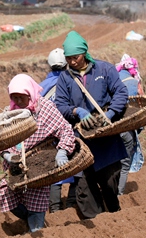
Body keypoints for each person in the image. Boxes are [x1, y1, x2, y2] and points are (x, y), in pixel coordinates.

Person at [54, 31, 128, 219]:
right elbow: (60, 105)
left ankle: (113, 217)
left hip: (106, 140)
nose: (72, 62)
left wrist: (111, 113)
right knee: (85, 192)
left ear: (84, 53)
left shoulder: (104, 70)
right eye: (68, 58)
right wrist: (77, 111)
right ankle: (97, 226)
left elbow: (121, 92)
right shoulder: (65, 77)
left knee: (110, 185)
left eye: (75, 57)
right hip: (83, 141)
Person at [0, 74, 76, 232]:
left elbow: (65, 130)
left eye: (22, 98)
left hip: (39, 162)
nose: (18, 102)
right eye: (15, 98)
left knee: (36, 200)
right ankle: (30, 219)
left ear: (30, 94)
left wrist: (62, 150)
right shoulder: (10, 113)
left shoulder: (45, 108)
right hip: (16, 164)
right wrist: (7, 155)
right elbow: (0, 140)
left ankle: (37, 230)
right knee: (6, 194)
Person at [41, 48, 77, 213]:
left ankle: (54, 209)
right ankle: (72, 203)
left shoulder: (41, 87)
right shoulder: (72, 82)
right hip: (71, 130)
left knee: (53, 169)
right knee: (77, 165)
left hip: (49, 135)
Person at [115, 54, 144, 194]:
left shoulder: (112, 81)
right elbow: (142, 105)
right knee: (124, 164)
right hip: (126, 129)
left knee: (112, 163)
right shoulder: (134, 83)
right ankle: (118, 194)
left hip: (111, 127)